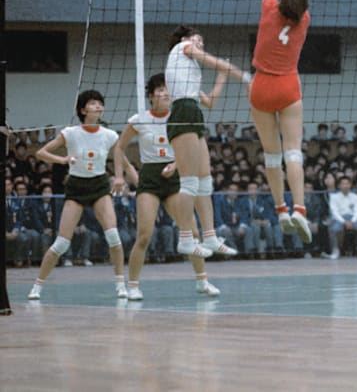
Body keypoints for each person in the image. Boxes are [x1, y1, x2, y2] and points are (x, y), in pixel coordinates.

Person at [112, 73, 223, 301]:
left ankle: (202, 280)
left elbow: (191, 149)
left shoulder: (178, 117)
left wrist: (176, 163)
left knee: (192, 232)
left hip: (175, 178)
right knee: (144, 235)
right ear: (151, 95)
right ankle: (132, 285)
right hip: (151, 178)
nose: (164, 94)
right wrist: (120, 176)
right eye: (160, 90)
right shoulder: (139, 119)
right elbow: (118, 148)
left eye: (167, 89)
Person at [29, 90, 127, 300]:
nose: (98, 106)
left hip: (100, 184)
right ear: (83, 110)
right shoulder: (70, 133)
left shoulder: (110, 135)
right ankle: (37, 286)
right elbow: (41, 153)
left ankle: (121, 285)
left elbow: (119, 154)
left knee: (113, 235)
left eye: (100, 103)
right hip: (76, 186)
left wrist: (119, 177)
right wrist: (63, 160)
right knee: (62, 242)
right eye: (93, 103)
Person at [249, 0, 314, 247]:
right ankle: (300, 209)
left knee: (272, 155)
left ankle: (281, 210)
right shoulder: (303, 22)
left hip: (262, 86)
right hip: (288, 86)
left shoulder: (270, 9)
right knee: (293, 151)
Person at [165, 24, 248, 259]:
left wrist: (222, 76)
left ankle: (210, 237)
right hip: (182, 113)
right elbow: (212, 61)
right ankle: (185, 238)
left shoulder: (189, 72)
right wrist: (238, 73)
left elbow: (210, 102)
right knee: (189, 182)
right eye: (197, 39)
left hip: (194, 113)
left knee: (205, 181)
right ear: (185, 39)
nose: (200, 44)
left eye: (202, 42)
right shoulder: (183, 47)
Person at [326, 176, 357, 259]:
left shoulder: (355, 196)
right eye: (343, 184)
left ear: (350, 185)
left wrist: (352, 221)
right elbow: (334, 212)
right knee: (334, 229)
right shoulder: (334, 197)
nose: (345, 185)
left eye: (347, 183)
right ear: (339, 186)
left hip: (353, 219)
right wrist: (344, 222)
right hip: (339, 219)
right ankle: (335, 251)